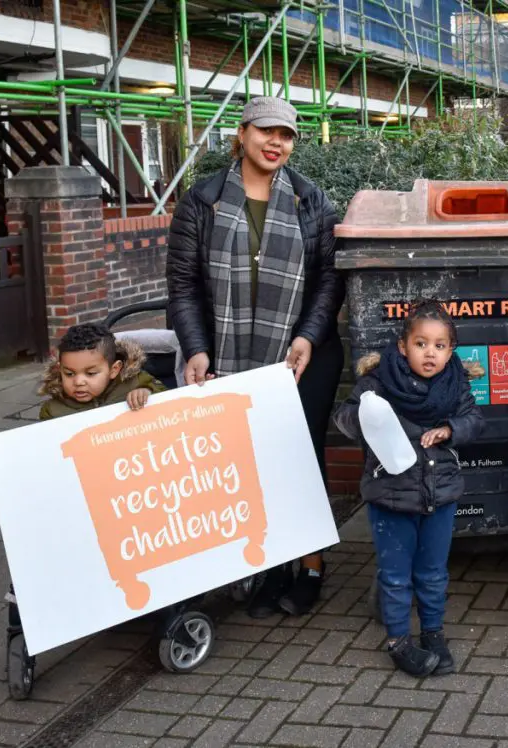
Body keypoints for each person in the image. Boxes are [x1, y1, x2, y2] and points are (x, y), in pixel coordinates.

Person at [167, 96, 345, 618]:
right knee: (245, 464)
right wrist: (197, 348)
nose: (276, 143)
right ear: (241, 134)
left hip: (301, 357)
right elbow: (182, 286)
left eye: (286, 135)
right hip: (226, 353)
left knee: (298, 460)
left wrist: (310, 336)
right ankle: (267, 567)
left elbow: (328, 282)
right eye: (266, 131)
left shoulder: (310, 201)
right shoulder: (202, 201)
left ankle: (310, 567)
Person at [333, 300, 485, 677]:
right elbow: (345, 418)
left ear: (451, 351)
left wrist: (451, 429)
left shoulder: (456, 384)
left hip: (441, 493)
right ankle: (398, 641)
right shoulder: (379, 381)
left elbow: (474, 421)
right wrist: (368, 412)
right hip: (390, 497)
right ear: (403, 346)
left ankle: (433, 633)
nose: (429, 352)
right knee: (395, 574)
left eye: (439, 345)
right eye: (421, 343)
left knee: (433, 573)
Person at [39, 323, 165, 419]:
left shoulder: (135, 383)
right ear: (59, 369)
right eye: (69, 374)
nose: (78, 382)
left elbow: (171, 403)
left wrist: (148, 392)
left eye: (90, 373)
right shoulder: (53, 410)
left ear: (114, 369)